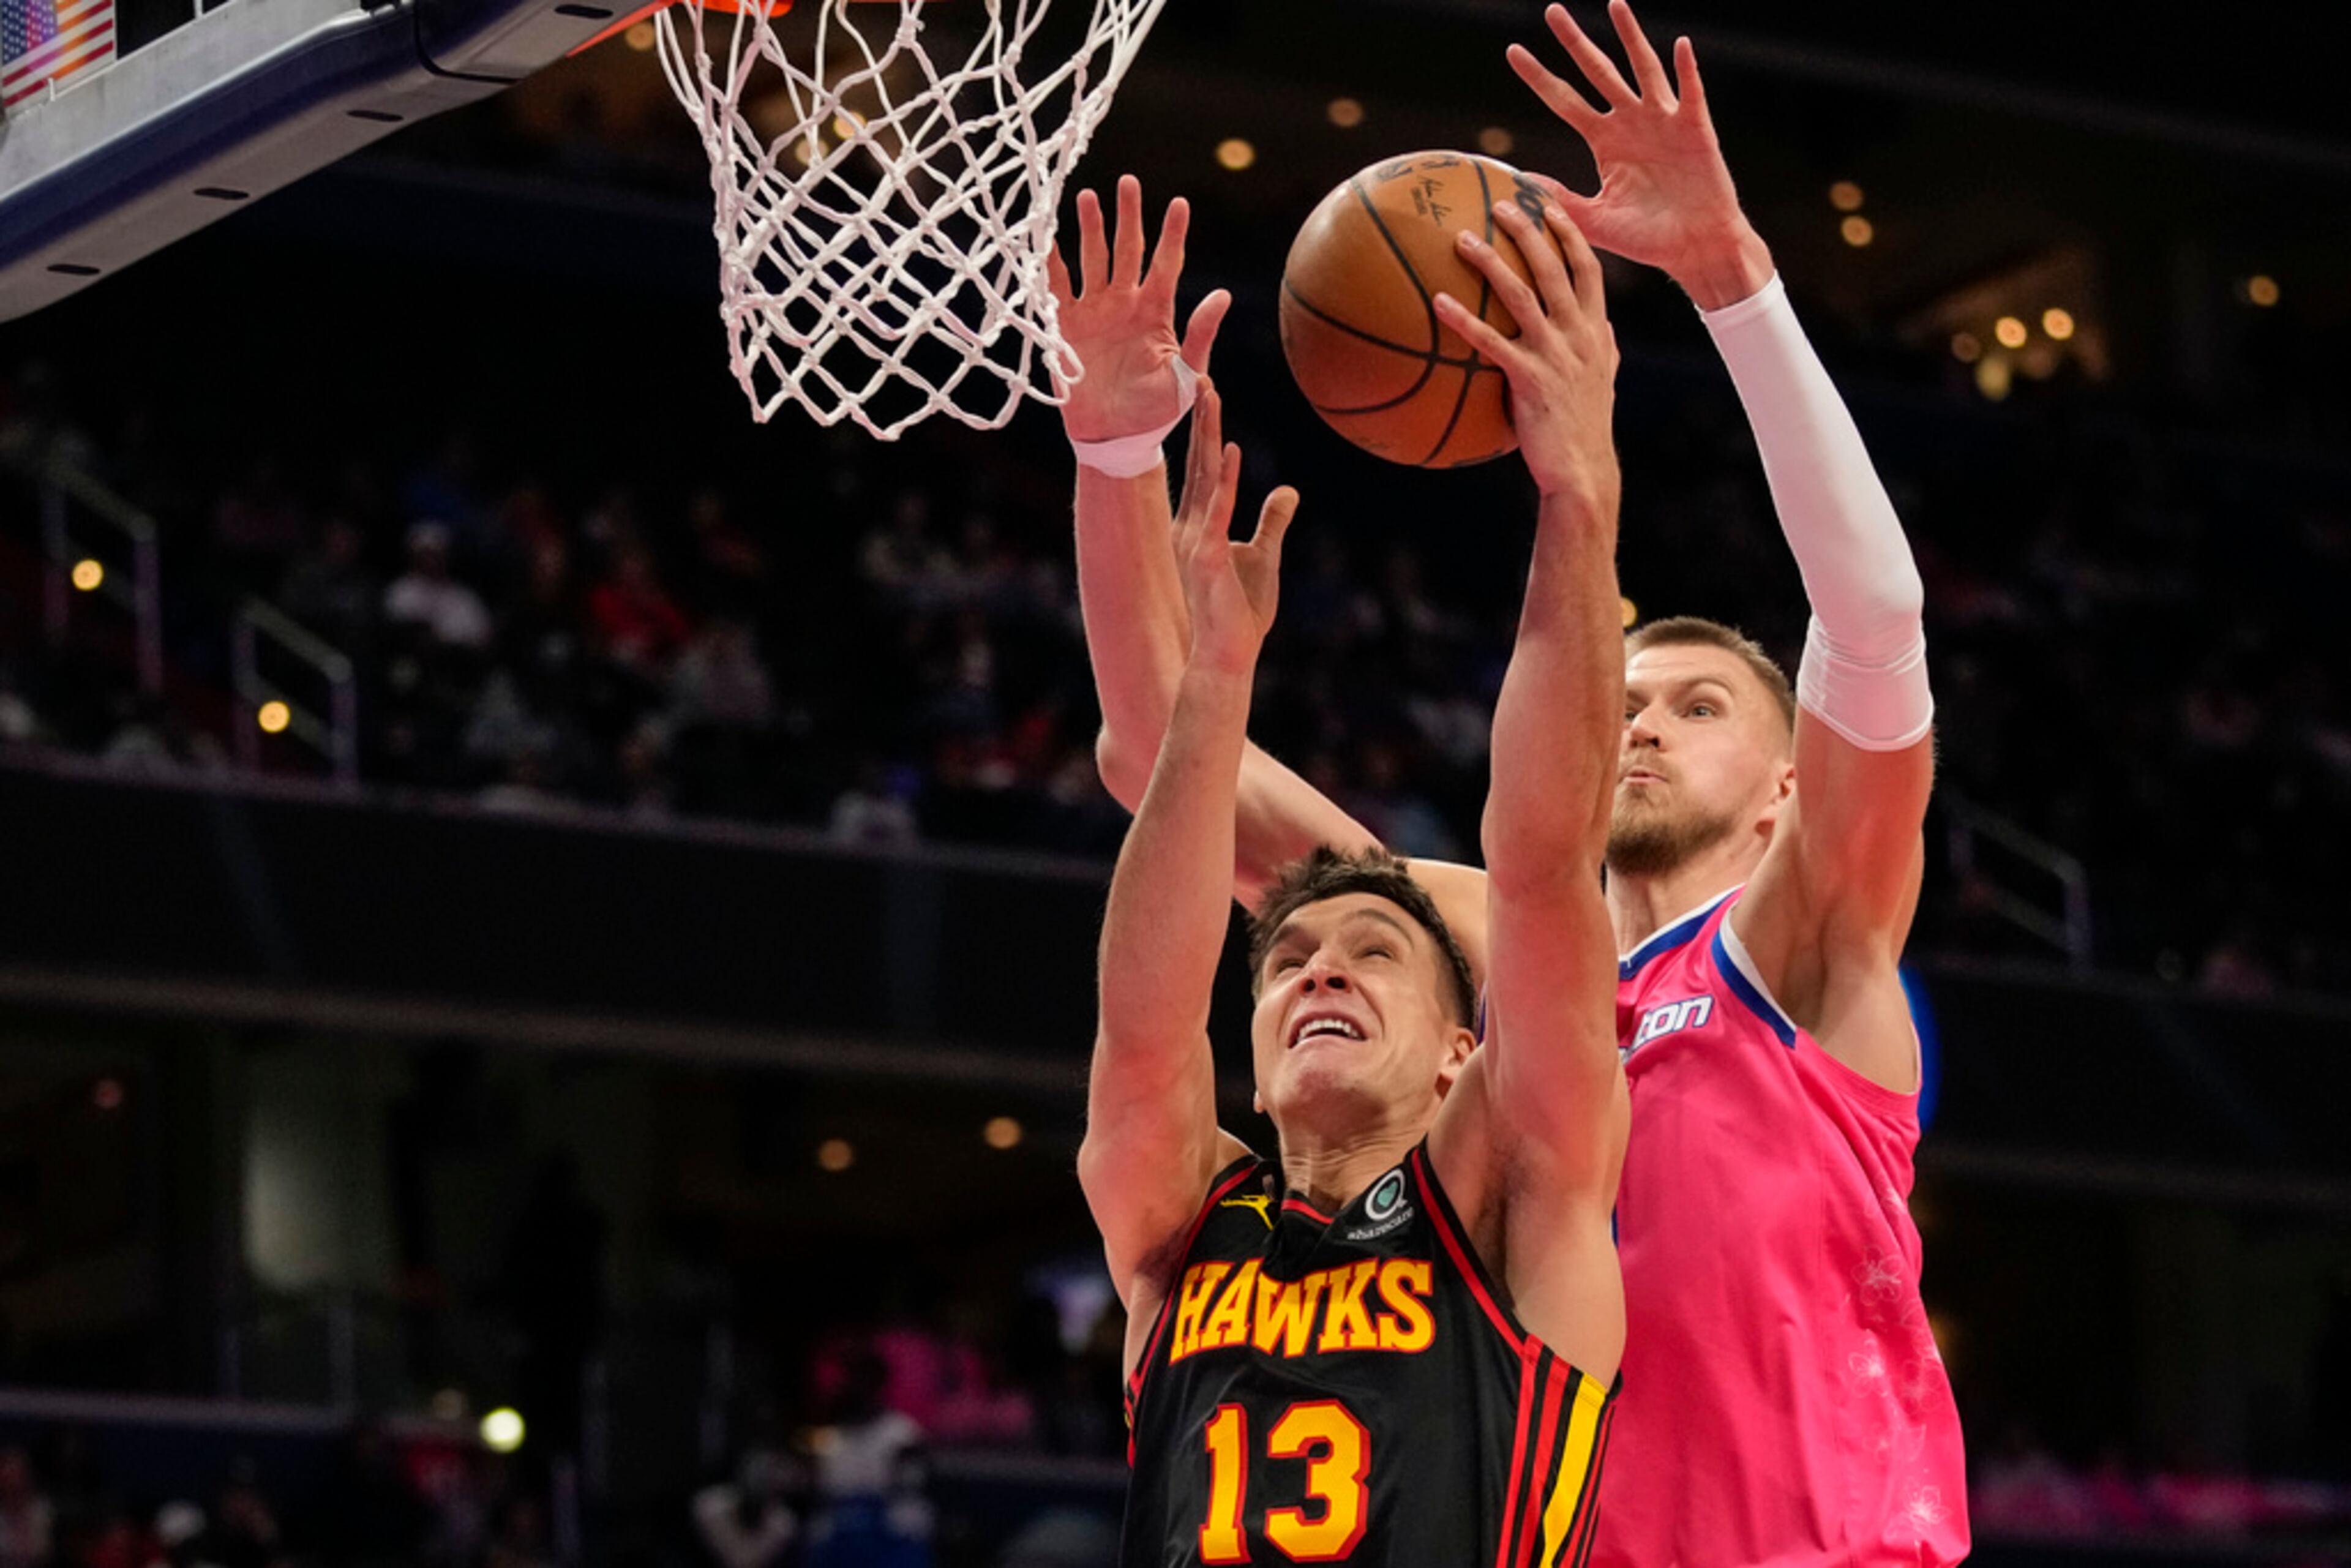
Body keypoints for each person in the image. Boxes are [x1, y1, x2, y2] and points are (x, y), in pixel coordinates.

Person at [1057, 4, 1966, 1561]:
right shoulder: (1486, 947)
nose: (1644, 724)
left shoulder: (1811, 937)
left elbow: (1875, 619)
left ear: (1781, 791)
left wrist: (1730, 282)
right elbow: (1164, 755)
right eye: (1621, 696)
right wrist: (1120, 463)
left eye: (1697, 704)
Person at [1073, 175, 1629, 1561]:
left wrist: (1580, 496)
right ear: (1252, 1068)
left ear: (1463, 1053)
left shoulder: (1512, 1202)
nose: (1321, 967)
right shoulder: (1183, 1228)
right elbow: (1145, 1032)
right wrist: (1115, 468)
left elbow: (1547, 863)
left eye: (1377, 953)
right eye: (1294, 964)